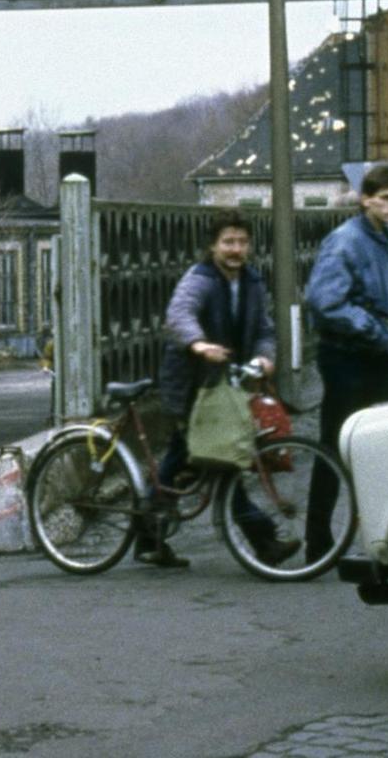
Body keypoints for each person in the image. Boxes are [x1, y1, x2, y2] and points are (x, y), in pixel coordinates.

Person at [140, 212, 298, 568]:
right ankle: (264, 542)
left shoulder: (253, 282)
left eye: (242, 242)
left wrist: (264, 357)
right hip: (194, 387)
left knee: (180, 459)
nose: (235, 250)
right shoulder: (200, 279)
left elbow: (264, 329)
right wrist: (199, 345)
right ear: (212, 246)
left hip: (225, 388)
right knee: (225, 462)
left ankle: (146, 535)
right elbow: (179, 315)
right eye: (228, 242)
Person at [304, 162, 388, 558]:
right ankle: (318, 539)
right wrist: (369, 325)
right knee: (335, 443)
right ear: (366, 200)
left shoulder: (387, 237)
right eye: (385, 199)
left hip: (375, 353)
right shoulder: (345, 241)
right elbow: (324, 300)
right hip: (344, 353)